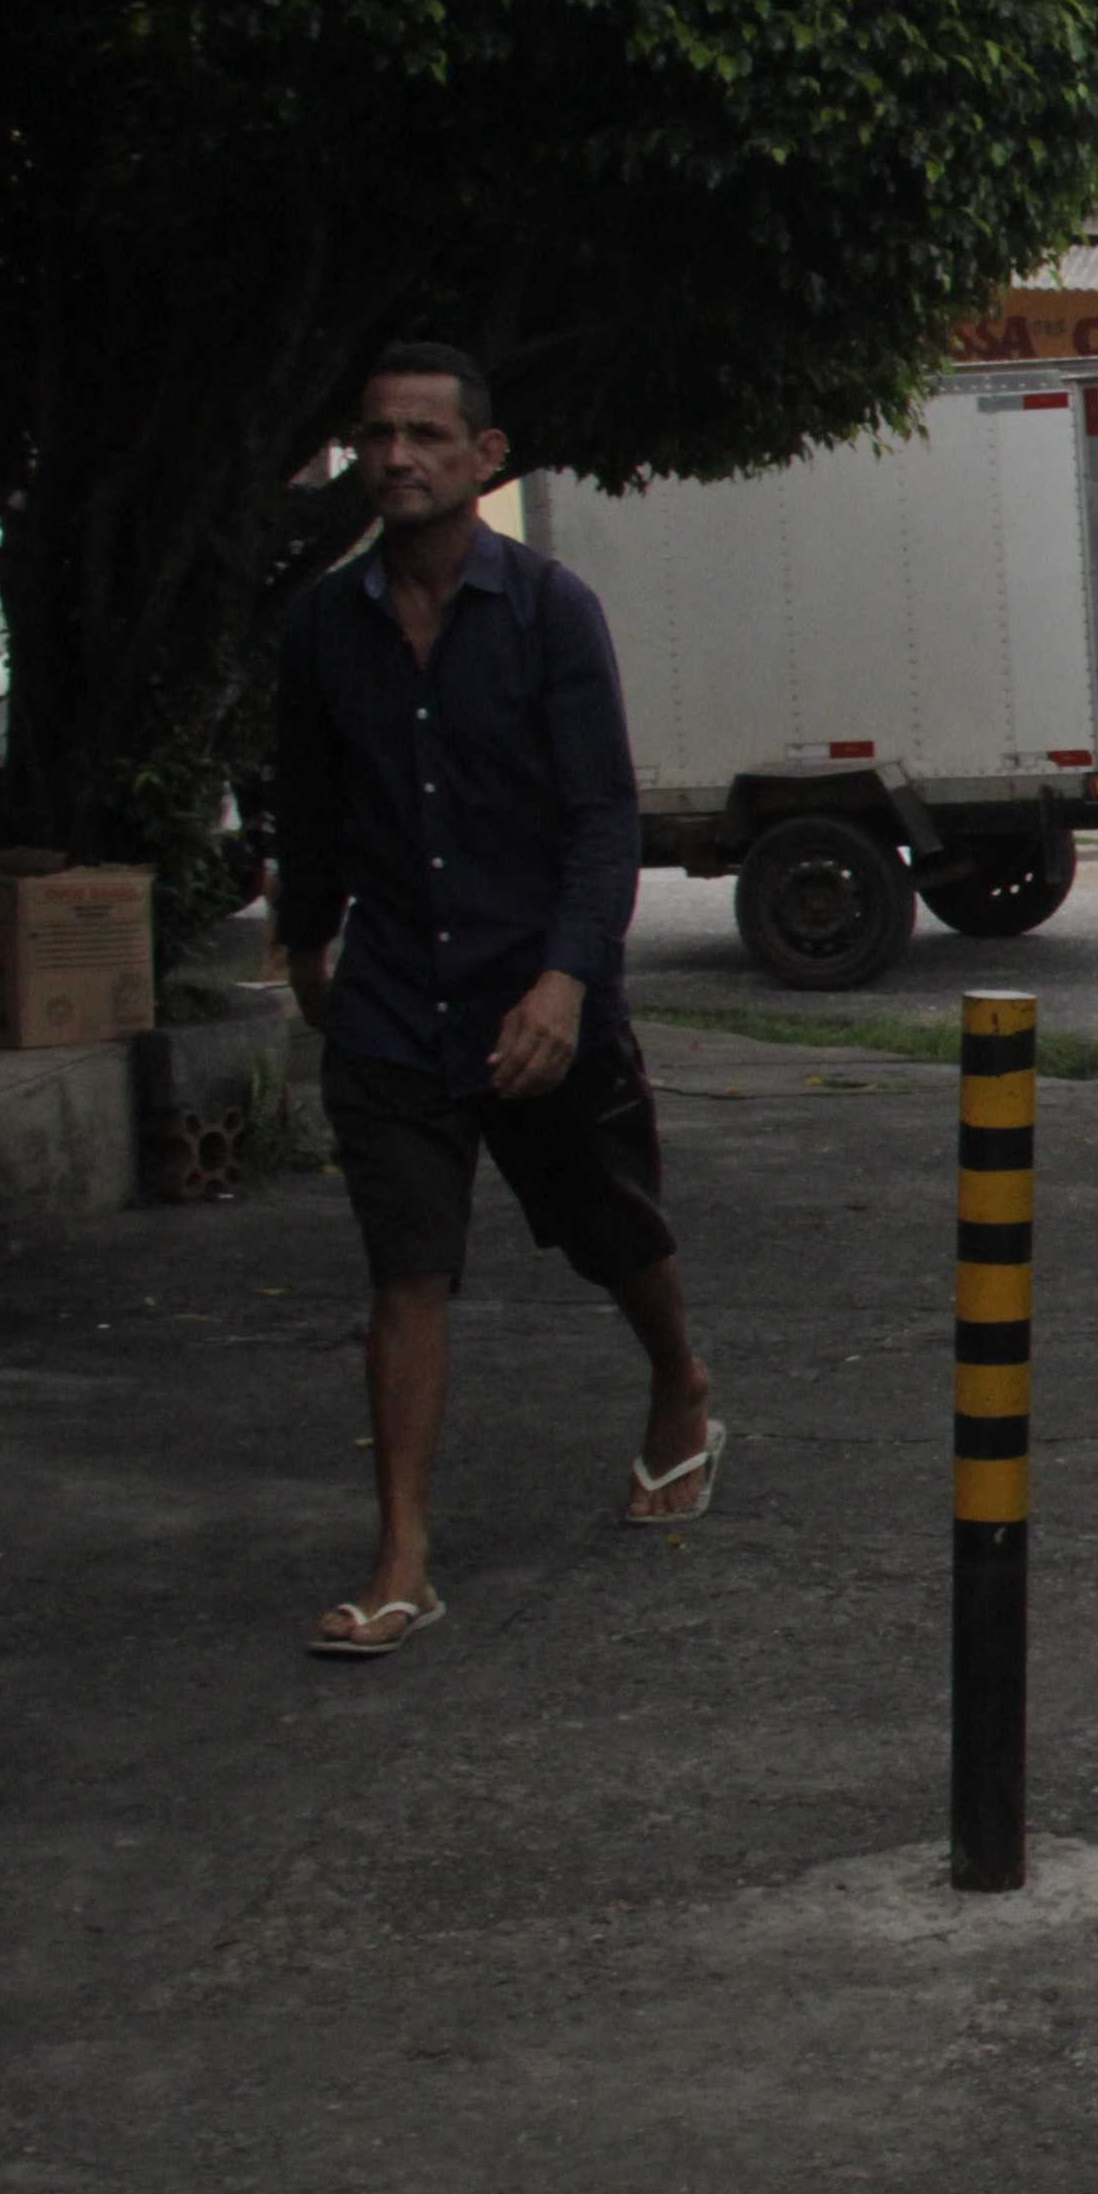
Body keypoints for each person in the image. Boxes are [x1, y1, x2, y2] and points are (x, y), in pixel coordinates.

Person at [272, 344, 718, 1660]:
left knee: (610, 1229)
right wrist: (309, 949)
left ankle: (681, 1384)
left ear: (485, 458)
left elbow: (599, 819)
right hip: (397, 1000)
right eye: (375, 435)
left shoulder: (546, 612)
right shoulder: (323, 625)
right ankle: (404, 1558)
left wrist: (567, 981)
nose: (396, 457)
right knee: (407, 1268)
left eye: (423, 435)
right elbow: (310, 810)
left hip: (538, 993)